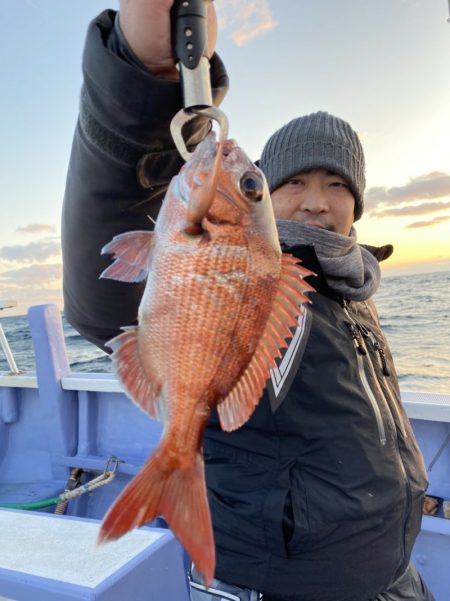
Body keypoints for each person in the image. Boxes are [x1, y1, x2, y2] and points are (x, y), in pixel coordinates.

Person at [61, 2, 435, 600]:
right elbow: (98, 299)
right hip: (289, 584)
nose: (316, 203)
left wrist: (411, 484)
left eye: (337, 185)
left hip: (393, 575)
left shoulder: (351, 287)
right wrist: (142, 78)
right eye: (288, 184)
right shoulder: (269, 279)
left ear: (358, 204)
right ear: (261, 199)